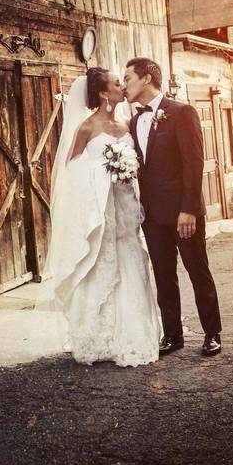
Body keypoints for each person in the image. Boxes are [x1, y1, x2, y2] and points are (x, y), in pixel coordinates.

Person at [43, 67, 162, 367]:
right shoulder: (85, 128)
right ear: (102, 93)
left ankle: (133, 332)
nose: (122, 86)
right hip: (100, 211)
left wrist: (126, 168)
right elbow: (70, 172)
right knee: (102, 263)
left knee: (131, 261)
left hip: (125, 208)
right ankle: (97, 334)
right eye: (115, 83)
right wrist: (105, 169)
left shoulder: (127, 123)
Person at [123, 57, 223, 357]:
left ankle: (212, 334)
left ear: (147, 79)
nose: (124, 83)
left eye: (128, 77)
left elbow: (193, 164)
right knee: (163, 275)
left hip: (183, 213)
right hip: (152, 216)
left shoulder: (182, 112)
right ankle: (172, 335)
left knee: (197, 271)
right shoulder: (133, 120)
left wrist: (189, 209)